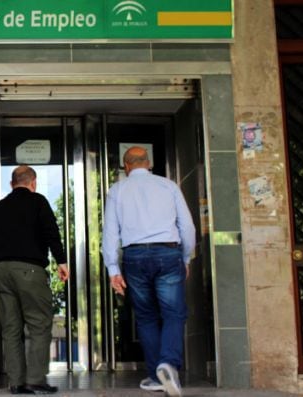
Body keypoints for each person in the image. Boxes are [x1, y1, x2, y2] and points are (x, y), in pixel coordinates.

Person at [101, 146, 195, 397]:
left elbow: (110, 233)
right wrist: (185, 257)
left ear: (126, 166)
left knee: (146, 317)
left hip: (134, 256)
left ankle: (156, 376)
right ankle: (168, 364)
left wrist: (113, 269)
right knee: (174, 313)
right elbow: (187, 227)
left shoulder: (117, 190)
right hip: (168, 253)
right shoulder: (169, 186)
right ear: (149, 163)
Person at [0, 165, 69, 395]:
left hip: (2, 272)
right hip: (30, 270)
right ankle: (35, 380)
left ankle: (16, 382)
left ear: (12, 184)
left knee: (11, 328)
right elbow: (51, 232)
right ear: (33, 183)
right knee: (39, 324)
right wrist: (61, 261)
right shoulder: (38, 202)